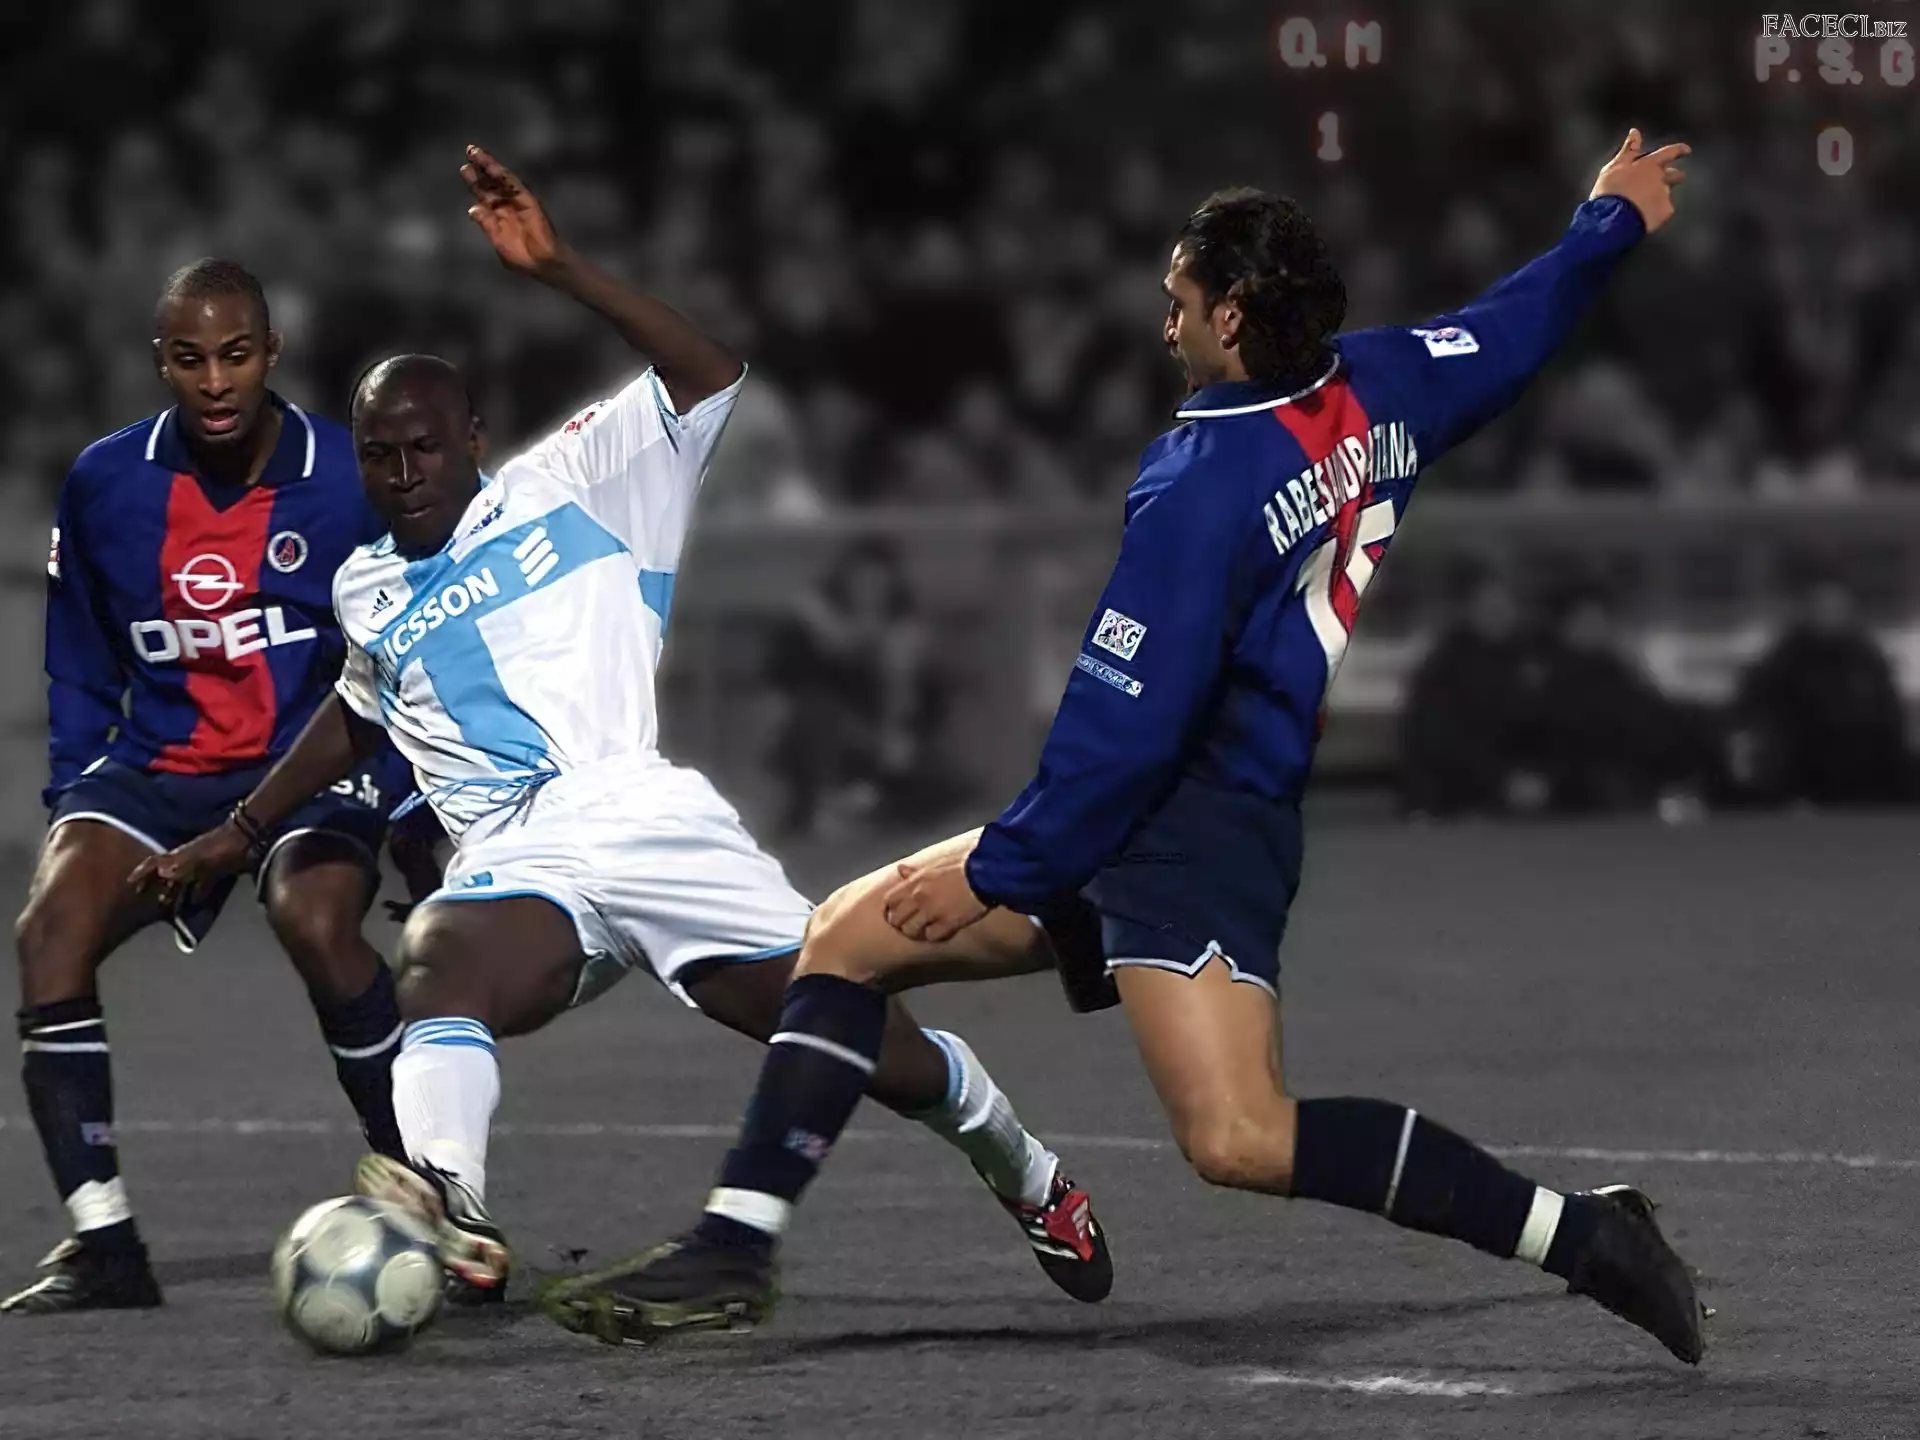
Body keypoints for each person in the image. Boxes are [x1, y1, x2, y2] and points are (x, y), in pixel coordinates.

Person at [557, 132, 1709, 1367]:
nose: (1166, 324)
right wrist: (1608, 222)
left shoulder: (1203, 482)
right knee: (842, 937)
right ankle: (736, 1245)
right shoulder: (1382, 383)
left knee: (1239, 1139)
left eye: (1180, 301)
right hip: (1175, 808)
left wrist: (999, 868)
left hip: (1190, 827)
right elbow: (1511, 330)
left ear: (1233, 313)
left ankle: (1584, 1235)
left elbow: (1130, 725)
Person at [136, 149, 1110, 1314]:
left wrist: (561, 270)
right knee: (438, 962)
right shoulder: (366, 586)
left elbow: (709, 373)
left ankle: (1023, 1166)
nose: (403, 474)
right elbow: (357, 713)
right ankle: (451, 1201)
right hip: (517, 856)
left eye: (424, 447)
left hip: (642, 813)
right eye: (379, 457)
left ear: (473, 438)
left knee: (869, 1044)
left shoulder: (580, 481)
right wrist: (242, 832)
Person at [5, 260, 416, 1315]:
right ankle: (104, 1243)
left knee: (316, 919)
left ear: (272, 352)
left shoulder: (347, 476)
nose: (217, 381)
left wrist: (413, 804)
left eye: (236, 355)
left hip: (306, 769)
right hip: (161, 769)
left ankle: (433, 1197)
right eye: (191, 360)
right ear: (163, 364)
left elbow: (408, 651)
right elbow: (79, 658)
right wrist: (73, 802)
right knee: (49, 932)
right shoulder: (106, 482)